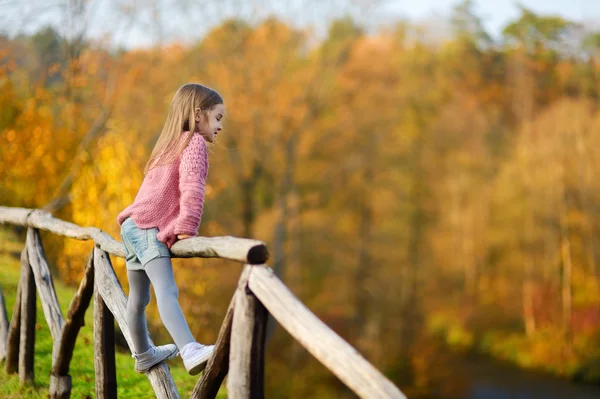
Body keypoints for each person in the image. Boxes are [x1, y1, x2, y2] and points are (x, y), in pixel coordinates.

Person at [116, 83, 224, 375]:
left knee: (139, 299)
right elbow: (192, 187)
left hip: (132, 226)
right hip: (149, 228)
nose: (220, 126)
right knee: (167, 290)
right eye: (217, 117)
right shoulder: (194, 143)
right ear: (198, 115)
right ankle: (189, 349)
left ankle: (142, 354)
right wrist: (187, 224)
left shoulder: (168, 142)